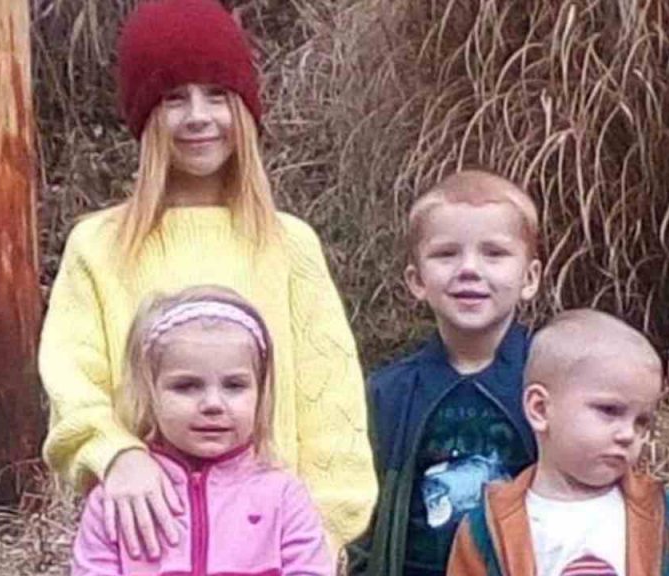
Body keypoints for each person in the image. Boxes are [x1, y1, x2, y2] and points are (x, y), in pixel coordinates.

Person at [40, 0, 374, 559]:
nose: (198, 116)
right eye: (174, 98)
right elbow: (72, 380)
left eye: (217, 94)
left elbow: (331, 405)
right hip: (144, 549)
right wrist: (116, 454)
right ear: (145, 116)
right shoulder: (98, 246)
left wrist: (321, 535)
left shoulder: (288, 245)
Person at [347, 170, 543, 574]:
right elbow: (366, 517)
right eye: (446, 254)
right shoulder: (390, 393)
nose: (469, 269)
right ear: (417, 280)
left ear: (530, 278)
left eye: (494, 253)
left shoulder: (553, 381)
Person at [71, 286, 332, 575]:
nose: (213, 404)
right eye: (186, 386)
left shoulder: (284, 496)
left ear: (261, 394)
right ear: (149, 393)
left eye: (234, 386)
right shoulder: (120, 497)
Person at [447, 309, 669, 575]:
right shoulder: (486, 529)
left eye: (641, 421)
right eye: (609, 410)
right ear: (540, 409)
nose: (628, 434)